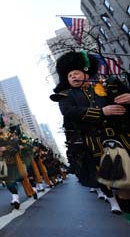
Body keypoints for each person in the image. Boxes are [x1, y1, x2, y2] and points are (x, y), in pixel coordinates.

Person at [50, 51, 128, 214]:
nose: (72, 77)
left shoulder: (108, 85)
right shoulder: (66, 95)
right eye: (69, 75)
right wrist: (101, 112)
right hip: (95, 142)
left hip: (122, 136)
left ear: (86, 72)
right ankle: (116, 202)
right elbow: (69, 111)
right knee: (118, 181)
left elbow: (123, 105)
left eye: (76, 73)